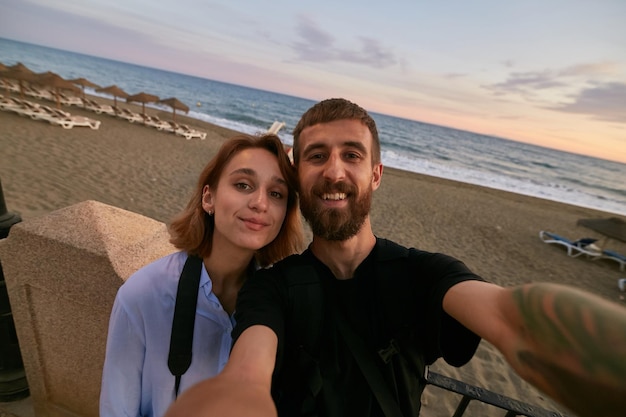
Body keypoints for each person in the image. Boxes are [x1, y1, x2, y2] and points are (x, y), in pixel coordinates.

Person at [164, 99, 626, 417]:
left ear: (376, 174)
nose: (334, 170)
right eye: (317, 156)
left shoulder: (425, 273)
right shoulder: (273, 286)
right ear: (299, 175)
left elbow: (513, 318)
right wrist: (235, 396)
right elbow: (247, 373)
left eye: (352, 154)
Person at [100, 133, 303, 417]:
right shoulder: (144, 296)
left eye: (276, 194)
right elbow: (117, 410)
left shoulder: (280, 303)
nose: (260, 203)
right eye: (243, 185)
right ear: (209, 198)